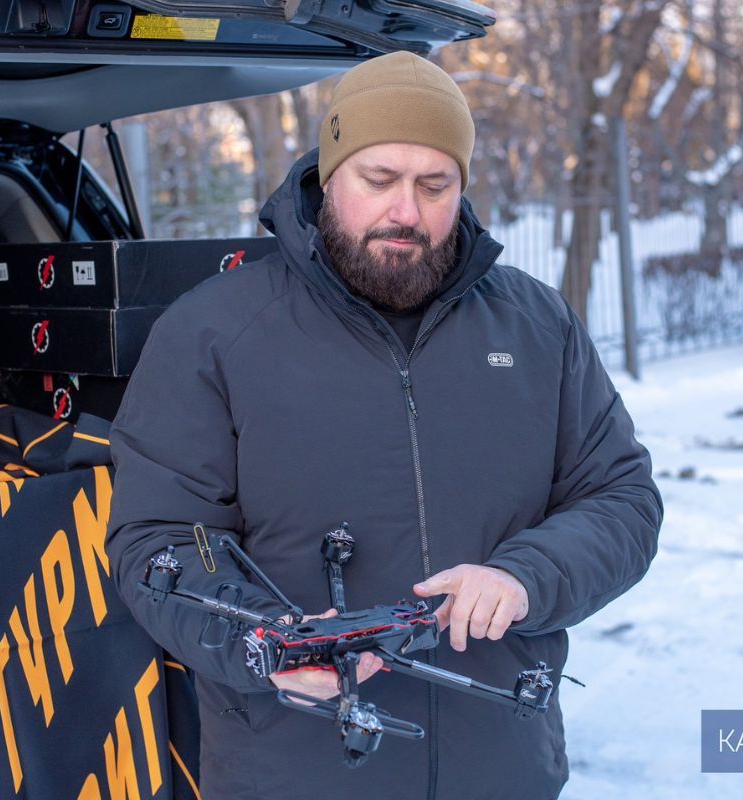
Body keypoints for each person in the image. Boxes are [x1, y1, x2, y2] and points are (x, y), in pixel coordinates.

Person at [107, 51, 663, 800]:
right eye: (380, 180)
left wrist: (523, 578)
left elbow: (622, 499)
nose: (406, 211)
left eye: (435, 185)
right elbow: (162, 539)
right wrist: (263, 641)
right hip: (294, 775)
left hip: (502, 772)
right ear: (328, 176)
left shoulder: (538, 328)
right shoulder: (215, 333)